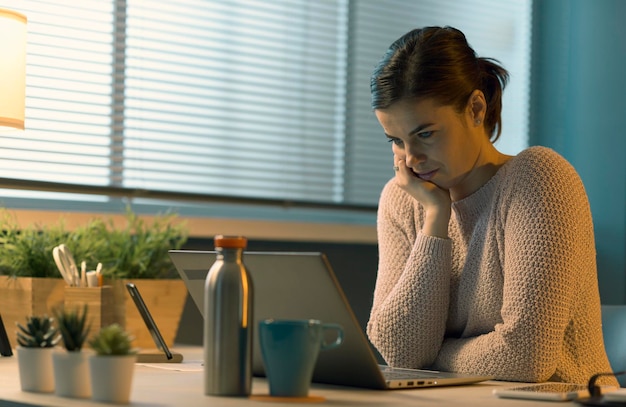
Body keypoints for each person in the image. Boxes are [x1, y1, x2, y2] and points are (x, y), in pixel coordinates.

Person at [366, 26, 617, 385]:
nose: (411, 158)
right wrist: (435, 219)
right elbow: (400, 352)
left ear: (476, 108)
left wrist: (434, 354)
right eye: (396, 140)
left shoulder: (538, 178)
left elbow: (524, 358)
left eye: (425, 133)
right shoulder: (404, 199)